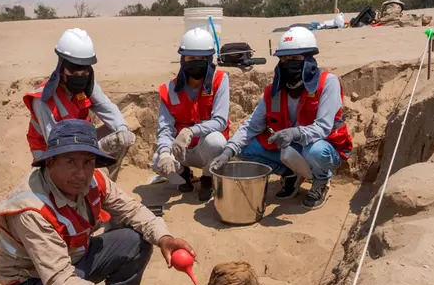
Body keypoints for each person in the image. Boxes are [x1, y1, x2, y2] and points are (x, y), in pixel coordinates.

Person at [0, 119, 196, 285]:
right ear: (50, 162)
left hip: (73, 260)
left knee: (138, 241)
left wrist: (164, 237)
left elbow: (131, 210)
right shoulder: (31, 209)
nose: (81, 173)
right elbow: (58, 280)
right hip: (29, 283)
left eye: (87, 162)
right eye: (70, 162)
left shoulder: (94, 180)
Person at [209, 27, 352, 210]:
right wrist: (228, 152)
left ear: (308, 59)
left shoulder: (327, 83)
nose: (287, 63)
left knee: (314, 151)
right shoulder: (274, 91)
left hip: (323, 147)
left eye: (294, 59)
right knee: (247, 149)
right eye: (284, 59)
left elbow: (323, 128)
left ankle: (321, 181)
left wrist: (295, 132)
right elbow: (250, 126)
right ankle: (290, 173)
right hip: (291, 148)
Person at [23, 28, 136, 169]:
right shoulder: (42, 100)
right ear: (61, 66)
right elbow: (58, 147)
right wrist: (99, 147)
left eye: (85, 70)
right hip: (52, 159)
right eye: (74, 70)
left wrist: (122, 129)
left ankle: (101, 182)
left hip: (82, 142)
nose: (80, 75)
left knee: (117, 133)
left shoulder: (87, 84)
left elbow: (107, 108)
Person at [153, 28, 231, 202]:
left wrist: (190, 131)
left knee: (216, 141)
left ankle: (207, 178)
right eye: (191, 58)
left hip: (207, 150)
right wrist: (166, 153)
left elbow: (220, 121)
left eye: (201, 59)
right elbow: (164, 129)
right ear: (183, 59)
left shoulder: (220, 80)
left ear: (209, 59)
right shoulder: (169, 89)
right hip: (183, 150)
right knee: (158, 158)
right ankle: (183, 174)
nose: (196, 63)